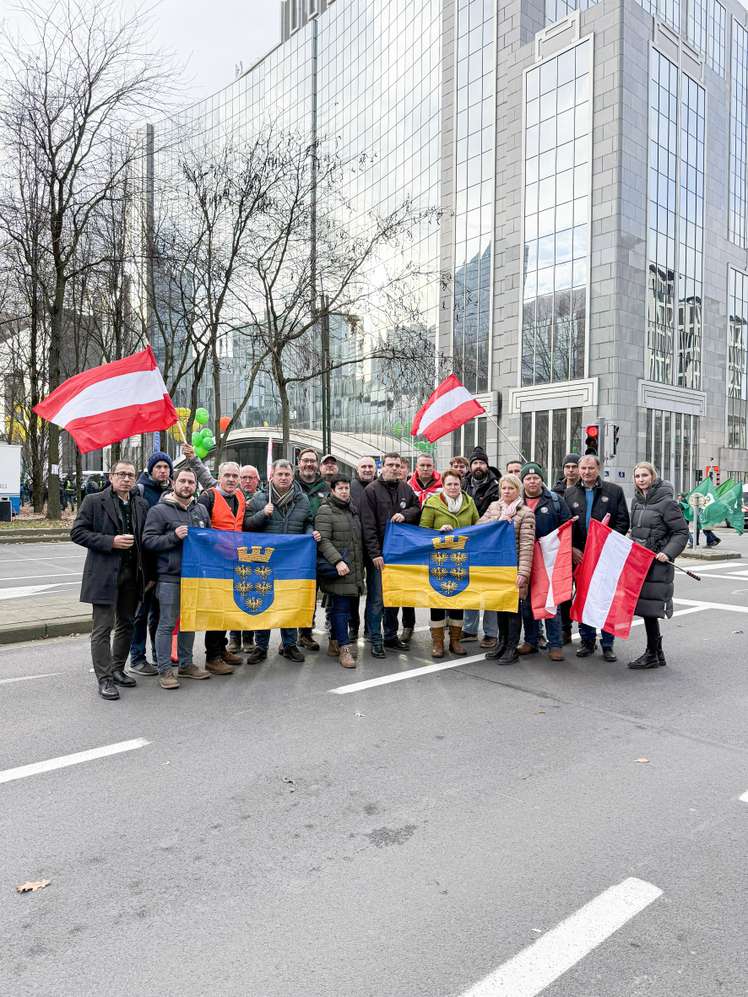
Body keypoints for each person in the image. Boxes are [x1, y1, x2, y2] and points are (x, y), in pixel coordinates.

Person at [71, 460, 150, 701]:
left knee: (127, 623)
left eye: (130, 475)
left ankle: (117, 669)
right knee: (103, 628)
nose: (126, 479)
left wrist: (149, 575)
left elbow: (145, 540)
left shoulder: (141, 504)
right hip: (104, 574)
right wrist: (110, 541)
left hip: (132, 576)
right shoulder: (94, 501)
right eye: (121, 474)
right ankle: (104, 679)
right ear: (111, 476)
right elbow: (77, 532)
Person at [142, 467, 212, 689]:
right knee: (166, 623)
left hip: (194, 577)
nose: (187, 485)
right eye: (183, 481)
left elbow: (209, 540)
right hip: (169, 577)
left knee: (189, 621)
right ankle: (165, 670)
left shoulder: (200, 510)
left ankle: (186, 664)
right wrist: (173, 536)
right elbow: (148, 541)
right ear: (174, 483)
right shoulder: (159, 510)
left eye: (191, 482)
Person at [245, 459, 316, 663]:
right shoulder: (260, 499)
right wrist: (261, 514)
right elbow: (246, 526)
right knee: (264, 604)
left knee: (289, 603)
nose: (284, 478)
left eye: (287, 475)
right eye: (280, 474)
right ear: (272, 476)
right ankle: (261, 646)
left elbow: (308, 521)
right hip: (264, 562)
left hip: (291, 561)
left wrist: (309, 536)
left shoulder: (301, 499)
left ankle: (290, 645)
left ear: (292, 476)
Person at [565, 454, 630, 661]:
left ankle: (608, 643)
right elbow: (566, 526)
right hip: (581, 556)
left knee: (606, 599)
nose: (586, 472)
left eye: (590, 468)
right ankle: (587, 641)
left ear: (598, 469)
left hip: (604, 556)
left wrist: (607, 546)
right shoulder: (569, 493)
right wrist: (573, 548)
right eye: (582, 468)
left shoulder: (614, 491)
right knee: (584, 598)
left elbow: (622, 522)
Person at [628, 462, 689, 669]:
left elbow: (681, 532)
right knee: (646, 609)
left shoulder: (667, 502)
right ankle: (657, 653)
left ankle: (652, 654)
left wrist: (668, 552)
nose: (641, 479)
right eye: (637, 476)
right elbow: (636, 530)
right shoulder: (636, 501)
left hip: (657, 564)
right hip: (640, 563)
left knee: (649, 610)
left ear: (653, 476)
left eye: (645, 475)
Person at [360, 452, 420, 657]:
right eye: (390, 465)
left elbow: (416, 509)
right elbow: (367, 526)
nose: (394, 468)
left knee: (394, 597)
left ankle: (391, 636)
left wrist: (405, 514)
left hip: (400, 554)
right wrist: (375, 554)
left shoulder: (406, 488)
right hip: (379, 556)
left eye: (397, 465)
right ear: (382, 467)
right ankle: (376, 639)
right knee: (377, 599)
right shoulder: (371, 491)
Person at [419, 469, 479, 658]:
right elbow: (423, 530)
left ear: (461, 485)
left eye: (456, 484)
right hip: (439, 560)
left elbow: (477, 528)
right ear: (443, 486)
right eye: (449, 484)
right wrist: (439, 531)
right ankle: (437, 642)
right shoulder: (432, 504)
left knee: (458, 600)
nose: (453, 487)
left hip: (461, 560)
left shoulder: (470, 503)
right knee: (437, 600)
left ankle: (455, 641)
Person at [516, 463, 571, 662]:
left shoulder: (555, 500)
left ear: (541, 479)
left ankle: (555, 644)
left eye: (536, 478)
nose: (532, 481)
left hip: (549, 559)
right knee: (527, 602)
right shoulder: (516, 501)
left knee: (550, 602)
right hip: (524, 559)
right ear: (523, 481)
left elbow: (567, 527)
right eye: (528, 478)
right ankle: (530, 641)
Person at [479, 474, 535, 664]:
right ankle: (501, 644)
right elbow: (479, 528)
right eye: (504, 488)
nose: (507, 491)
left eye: (511, 488)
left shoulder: (526, 512)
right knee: (499, 606)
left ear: (518, 490)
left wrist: (523, 573)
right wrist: (499, 520)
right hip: (495, 567)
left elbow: (527, 546)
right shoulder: (494, 507)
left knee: (512, 609)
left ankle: (512, 648)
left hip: (514, 567)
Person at [197, 461, 247, 675]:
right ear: (219, 476)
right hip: (214, 563)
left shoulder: (240, 497)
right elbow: (199, 529)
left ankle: (222, 647)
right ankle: (212, 656)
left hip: (234, 562)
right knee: (217, 609)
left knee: (228, 606)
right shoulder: (207, 497)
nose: (231, 479)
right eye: (227, 475)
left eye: (235, 476)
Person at [129, 450, 174, 677]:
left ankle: (160, 655)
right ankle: (137, 657)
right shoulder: (140, 490)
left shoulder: (173, 491)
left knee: (159, 614)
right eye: (158, 467)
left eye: (166, 467)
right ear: (150, 469)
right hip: (144, 564)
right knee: (141, 613)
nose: (163, 471)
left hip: (165, 564)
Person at [315, 475, 364, 668]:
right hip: (339, 569)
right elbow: (323, 540)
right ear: (333, 490)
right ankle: (344, 649)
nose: (344, 491)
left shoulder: (352, 510)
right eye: (340, 488)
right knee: (341, 610)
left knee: (344, 609)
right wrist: (337, 561)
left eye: (346, 488)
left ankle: (334, 644)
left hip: (353, 569)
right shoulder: (325, 511)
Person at [462, 446, 500, 647]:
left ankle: (491, 632)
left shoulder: (497, 485)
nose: (478, 466)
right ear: (470, 466)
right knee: (470, 588)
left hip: (490, 545)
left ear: (487, 465)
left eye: (482, 463)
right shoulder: (462, 484)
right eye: (475, 462)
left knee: (490, 590)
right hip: (467, 545)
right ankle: (469, 629)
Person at [295, 447, 330, 651]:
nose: (309, 464)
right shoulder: (290, 484)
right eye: (305, 460)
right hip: (295, 550)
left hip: (321, 547)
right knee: (295, 592)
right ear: (299, 462)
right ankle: (290, 635)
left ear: (317, 465)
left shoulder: (325, 487)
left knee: (312, 592)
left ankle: (306, 633)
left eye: (312, 461)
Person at [552, 452, 581, 642]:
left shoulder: (586, 489)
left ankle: (587, 633)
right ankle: (565, 629)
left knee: (584, 590)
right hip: (562, 548)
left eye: (574, 466)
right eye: (567, 467)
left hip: (583, 546)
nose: (570, 470)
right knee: (563, 592)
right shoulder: (555, 492)